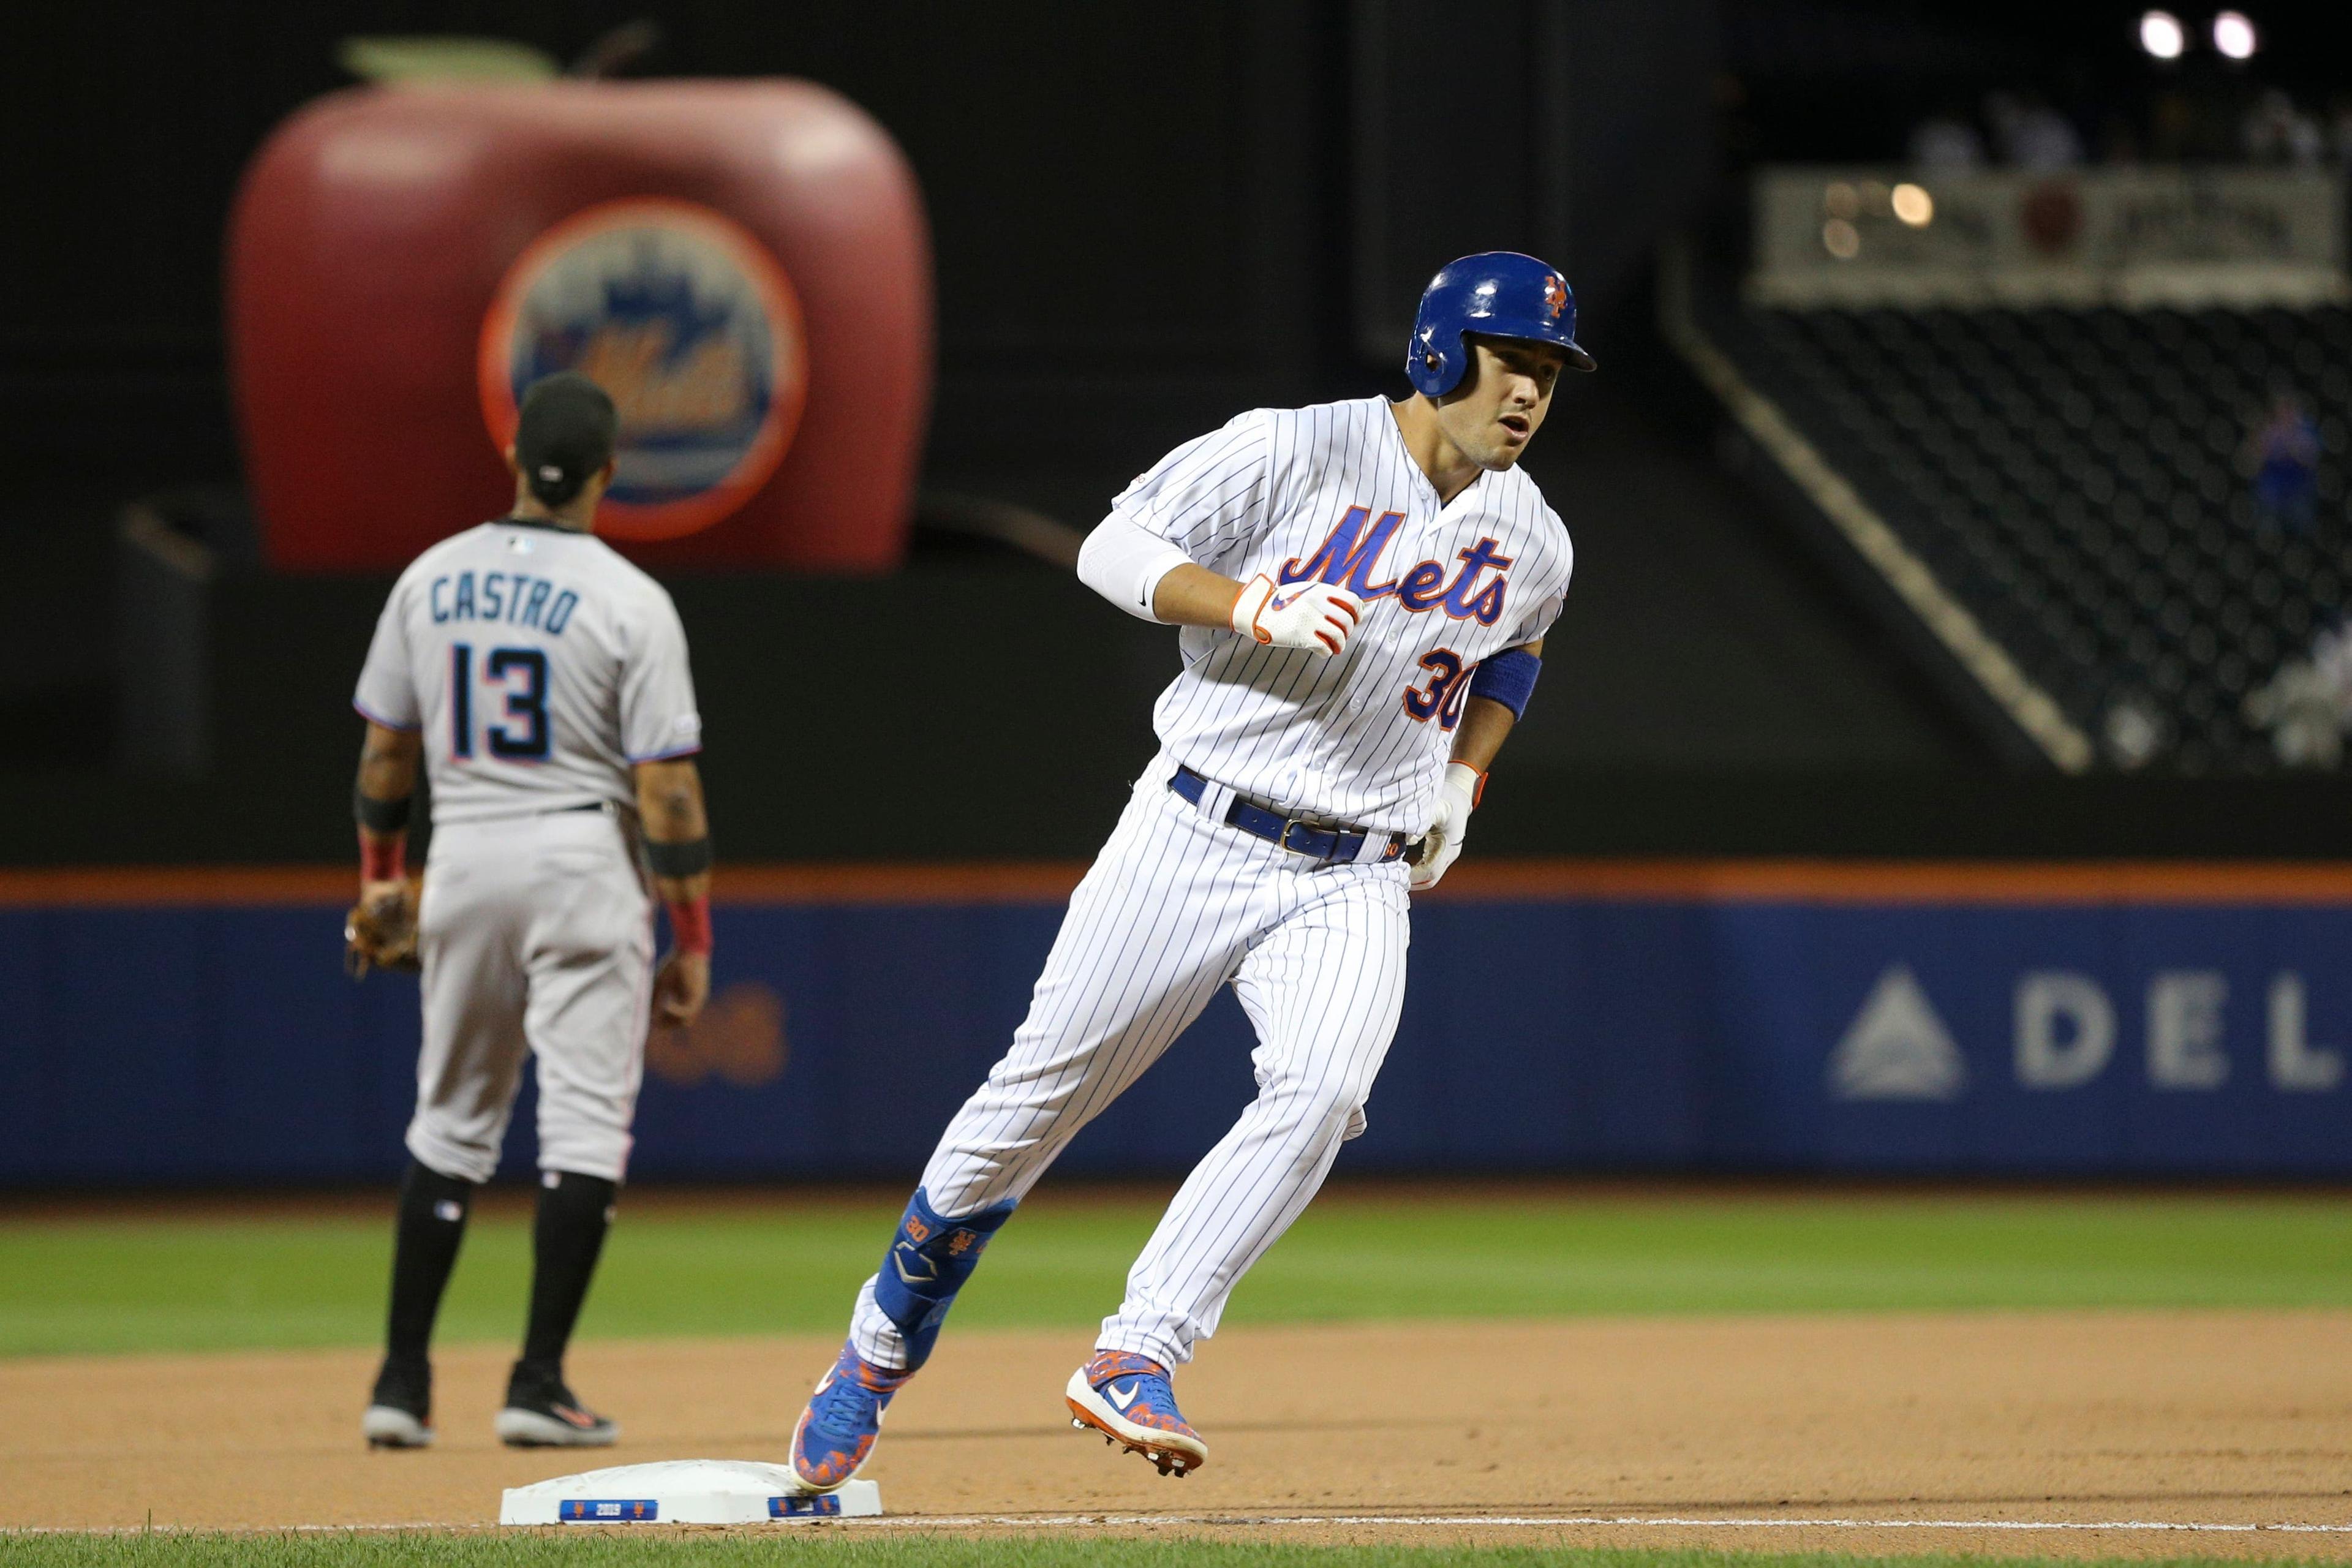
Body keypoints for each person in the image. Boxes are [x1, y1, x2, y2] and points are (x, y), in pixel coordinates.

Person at [785, 252, 1588, 1490]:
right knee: (1028, 1108)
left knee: (1324, 1091)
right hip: (1194, 831)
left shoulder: (1532, 533)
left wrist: (1464, 778)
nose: (1532, 391)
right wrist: (1247, 604)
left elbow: (1519, 644)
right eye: (1513, 360)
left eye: (1548, 371)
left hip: (1354, 868)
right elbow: (1115, 547)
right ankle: (877, 1348)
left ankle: (1137, 1347)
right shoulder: (1295, 448)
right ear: (1439, 352)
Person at [346, 372, 714, 1450]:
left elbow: (384, 750)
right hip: (581, 853)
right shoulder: (629, 597)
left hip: (461, 852)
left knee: (451, 1119)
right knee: (585, 1124)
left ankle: (401, 1384)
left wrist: (380, 878)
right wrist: (690, 937)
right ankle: (537, 1381)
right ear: (607, 475)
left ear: (513, 458)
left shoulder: (429, 579)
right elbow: (670, 792)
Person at [2247, 390, 2321, 532]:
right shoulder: (2268, 428)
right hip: (2272, 491)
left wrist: (2290, 442)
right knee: (2266, 523)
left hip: (2299, 490)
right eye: (2282, 409)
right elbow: (2253, 459)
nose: (2285, 413)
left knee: (2302, 523)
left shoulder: (2305, 429)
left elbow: (2311, 460)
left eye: (2289, 408)